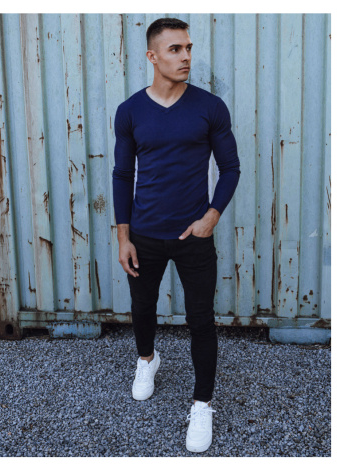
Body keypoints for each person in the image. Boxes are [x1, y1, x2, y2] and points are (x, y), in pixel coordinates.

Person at [112, 17, 240, 453]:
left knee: (201, 319)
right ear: (152, 56)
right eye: (175, 49)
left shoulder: (209, 107)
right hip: (144, 234)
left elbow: (230, 168)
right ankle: (147, 360)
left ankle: (202, 404)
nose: (186, 57)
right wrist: (123, 236)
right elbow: (122, 174)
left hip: (193, 236)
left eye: (188, 48)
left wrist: (211, 217)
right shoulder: (130, 111)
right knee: (142, 307)